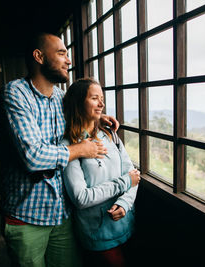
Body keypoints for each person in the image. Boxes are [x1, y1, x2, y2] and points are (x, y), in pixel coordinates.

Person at [0, 32, 118, 267]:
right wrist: (81, 149)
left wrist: (96, 119)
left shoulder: (62, 97)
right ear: (39, 56)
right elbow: (33, 156)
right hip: (25, 217)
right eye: (61, 53)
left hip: (62, 214)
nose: (69, 60)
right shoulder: (15, 94)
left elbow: (77, 120)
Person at [62, 78, 140, 267]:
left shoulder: (110, 134)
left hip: (126, 222)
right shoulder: (69, 146)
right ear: (79, 103)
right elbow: (81, 198)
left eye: (102, 98)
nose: (101, 103)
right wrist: (124, 183)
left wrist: (124, 203)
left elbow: (133, 175)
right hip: (97, 233)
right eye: (95, 98)